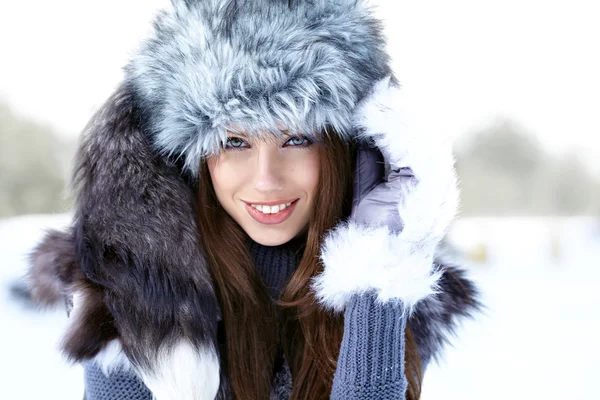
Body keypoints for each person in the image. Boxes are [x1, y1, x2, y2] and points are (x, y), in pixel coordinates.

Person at [27, 0, 482, 399]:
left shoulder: (391, 300)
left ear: (352, 149)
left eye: (298, 139)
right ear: (193, 159)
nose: (266, 180)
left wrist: (377, 269)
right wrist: (132, 291)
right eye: (235, 143)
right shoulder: (127, 299)